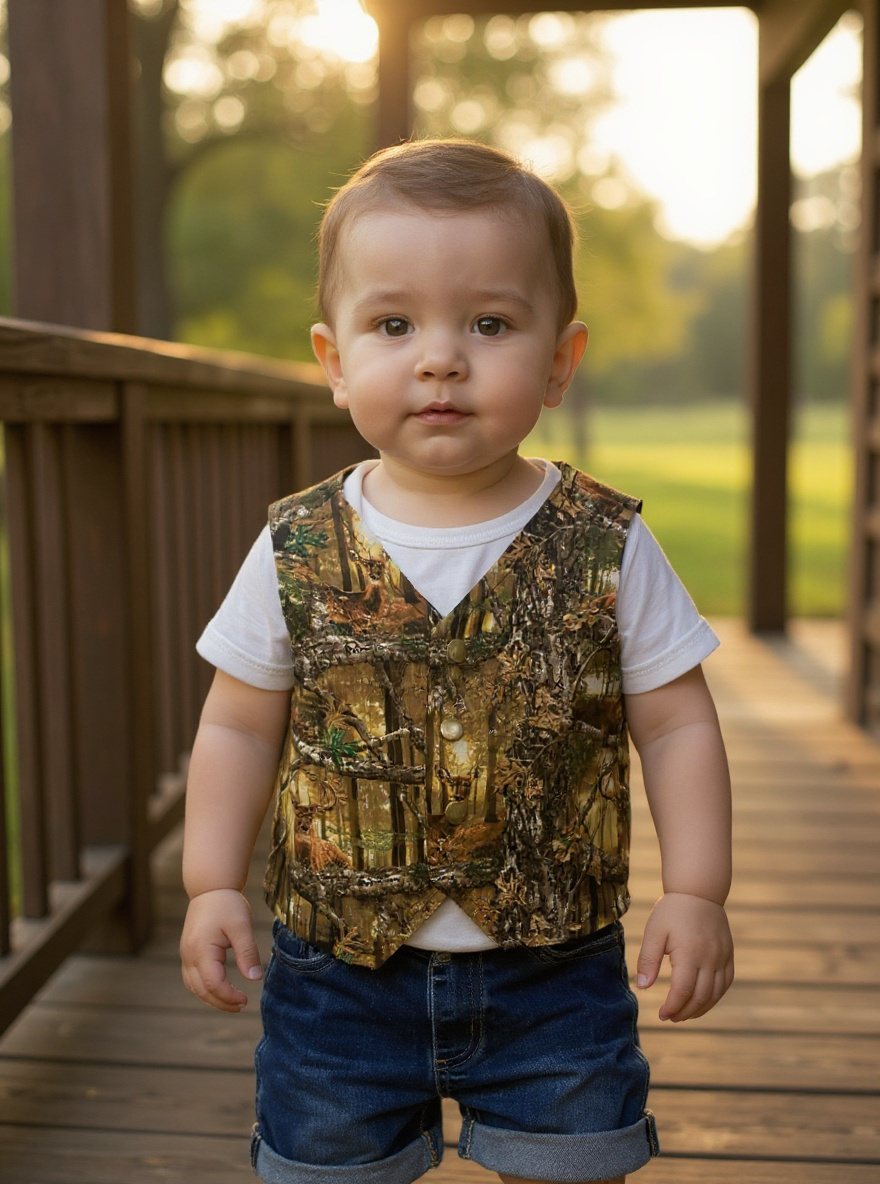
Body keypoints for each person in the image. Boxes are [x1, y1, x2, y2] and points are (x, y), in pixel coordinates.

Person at [180, 138, 734, 1184]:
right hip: (337, 971)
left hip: (555, 970)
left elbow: (676, 720)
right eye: (394, 325)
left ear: (560, 361)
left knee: (573, 1163)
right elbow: (238, 722)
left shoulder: (604, 539)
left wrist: (698, 887)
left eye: (488, 323)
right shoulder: (297, 542)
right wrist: (211, 879)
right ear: (334, 360)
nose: (440, 357)